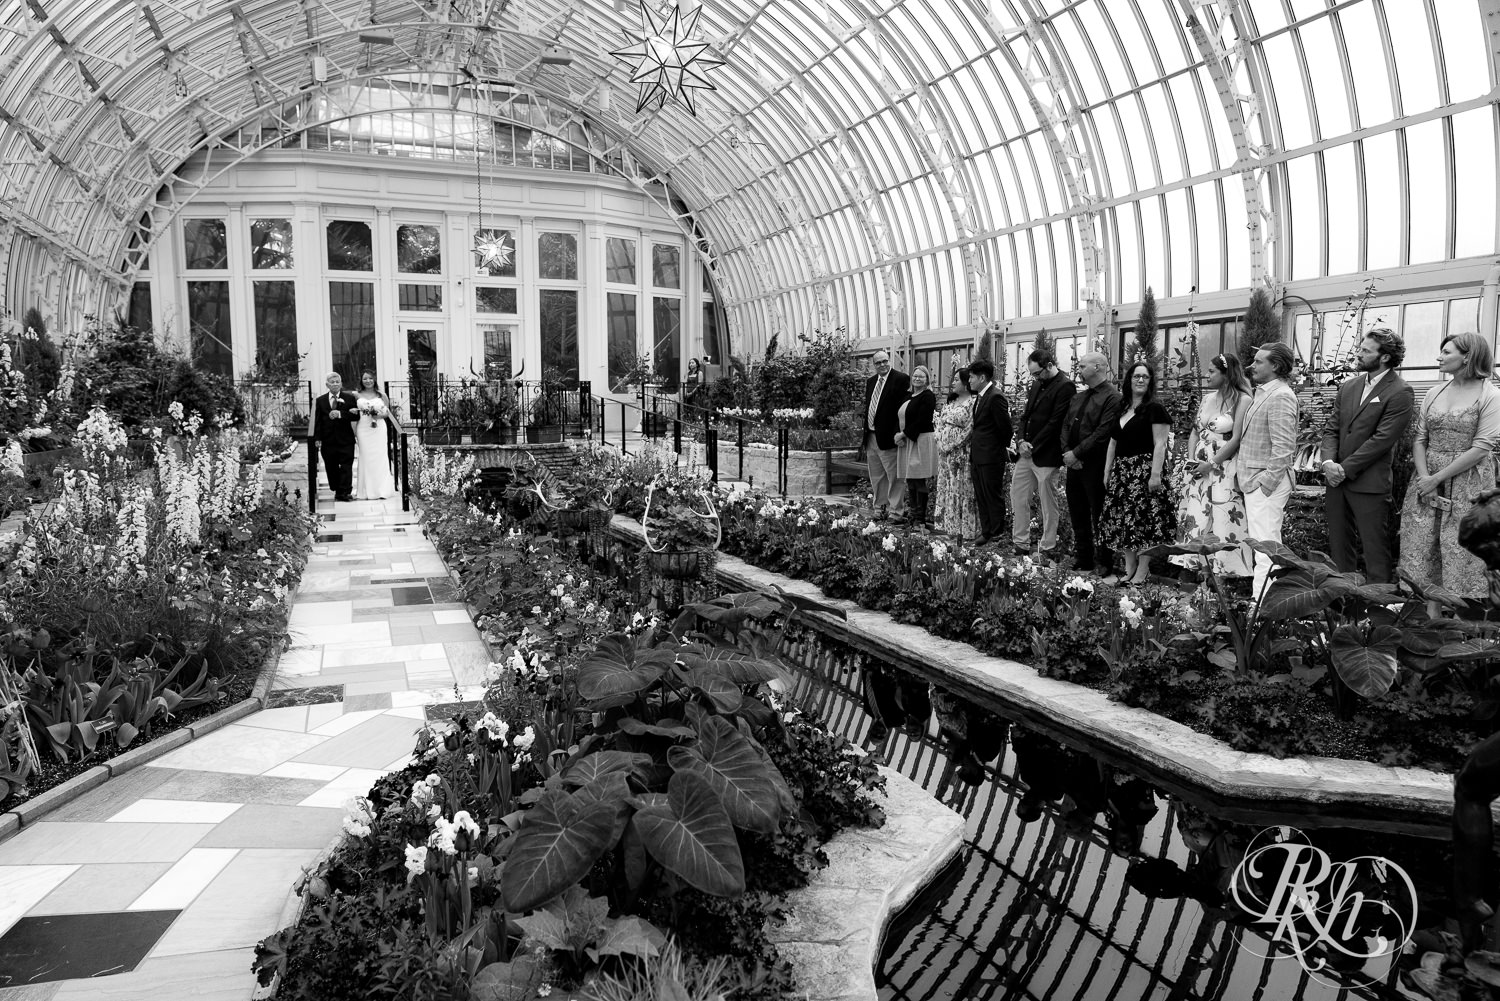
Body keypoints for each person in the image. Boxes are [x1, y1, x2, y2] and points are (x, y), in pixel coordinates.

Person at [1399, 331, 1500, 610]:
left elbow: (1482, 447)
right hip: (1426, 478)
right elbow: (1420, 438)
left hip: (1468, 481)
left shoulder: (1491, 395)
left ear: (1467, 357)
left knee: (1461, 548)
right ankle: (1431, 614)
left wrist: (1436, 478)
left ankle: (1459, 620)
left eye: (1446, 352)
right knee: (1424, 542)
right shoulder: (1435, 392)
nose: (1439, 357)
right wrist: (1424, 478)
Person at [1319, 328, 1414, 583]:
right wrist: (1328, 463)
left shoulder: (1401, 391)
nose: (1358, 354)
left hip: (1369, 483)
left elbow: (1382, 440)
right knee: (1339, 547)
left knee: (1375, 549)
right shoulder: (1349, 386)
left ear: (1385, 357)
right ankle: (1344, 598)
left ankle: (1379, 602)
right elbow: (1332, 428)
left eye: (1365, 351)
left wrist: (1344, 469)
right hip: (1335, 480)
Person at [1098, 361, 1178, 585]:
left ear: (1150, 381)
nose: (1140, 380)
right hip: (1122, 472)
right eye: (1136, 376)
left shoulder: (1155, 409)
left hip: (1144, 471)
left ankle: (1143, 570)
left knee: (1145, 521)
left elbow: (1160, 444)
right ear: (1129, 380)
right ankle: (1129, 568)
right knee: (1124, 520)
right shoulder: (1122, 408)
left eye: (1145, 376)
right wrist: (1107, 471)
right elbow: (1113, 442)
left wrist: (1155, 475)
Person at [1175, 353, 1253, 577]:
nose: (1206, 375)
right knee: (1198, 514)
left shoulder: (1243, 400)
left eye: (1211, 371)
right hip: (1198, 469)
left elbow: (1236, 438)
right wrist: (1191, 461)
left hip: (1222, 468)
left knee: (1222, 515)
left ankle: (1224, 571)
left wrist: (1211, 464)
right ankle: (1199, 569)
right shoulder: (1207, 398)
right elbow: (1195, 431)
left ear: (1226, 374)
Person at [1239, 341, 1300, 602]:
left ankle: (1263, 604)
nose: (1252, 365)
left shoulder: (1281, 396)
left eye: (1259, 361)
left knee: (1266, 546)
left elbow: (1284, 447)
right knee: (1262, 544)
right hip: (1256, 481)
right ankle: (1263, 601)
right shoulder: (1265, 392)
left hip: (1265, 483)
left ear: (1275, 366)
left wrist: (1266, 483)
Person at [1061, 352, 1123, 575]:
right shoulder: (1078, 397)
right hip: (1073, 464)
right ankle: (1083, 557)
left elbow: (1103, 432)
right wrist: (1067, 452)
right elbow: (1066, 426)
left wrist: (1077, 453)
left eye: (1082, 366)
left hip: (1095, 464)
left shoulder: (1113, 397)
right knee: (1077, 512)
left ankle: (1104, 560)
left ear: (1097, 367)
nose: (1078, 370)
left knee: (1100, 513)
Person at [1010, 349, 1076, 559]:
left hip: (1047, 454)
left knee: (1048, 502)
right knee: (1018, 495)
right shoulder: (1037, 383)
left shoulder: (1065, 386)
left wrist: (1032, 445)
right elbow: (1025, 416)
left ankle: (1048, 546)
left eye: (1038, 373)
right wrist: (1021, 441)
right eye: (1033, 375)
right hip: (1026, 452)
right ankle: (1020, 542)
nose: (1035, 378)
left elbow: (1056, 422)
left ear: (1049, 365)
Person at [967, 358, 1013, 545]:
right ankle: (986, 531)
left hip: (991, 456)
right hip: (978, 455)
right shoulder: (981, 396)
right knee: (981, 495)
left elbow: (1006, 429)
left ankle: (996, 532)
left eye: (971, 377)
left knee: (992, 495)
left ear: (982, 377)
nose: (969, 381)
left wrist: (996, 449)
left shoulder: (995, 397)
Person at [934, 368, 981, 541]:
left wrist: (951, 444)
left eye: (956, 380)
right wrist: (940, 440)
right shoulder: (951, 401)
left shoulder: (973, 402)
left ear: (966, 382)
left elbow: (970, 428)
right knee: (947, 487)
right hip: (945, 455)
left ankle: (965, 530)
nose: (953, 382)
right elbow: (940, 422)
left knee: (961, 489)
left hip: (961, 454)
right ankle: (950, 528)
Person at [863, 350, 911, 519]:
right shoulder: (871, 382)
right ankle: (880, 509)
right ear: (874, 365)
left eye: (885, 361)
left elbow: (903, 409)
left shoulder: (900, 379)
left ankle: (896, 512)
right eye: (878, 363)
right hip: (871, 436)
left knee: (894, 476)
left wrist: (899, 434)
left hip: (889, 437)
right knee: (876, 476)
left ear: (889, 360)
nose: (882, 365)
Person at [896, 366, 938, 526]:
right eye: (915, 376)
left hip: (920, 440)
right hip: (908, 440)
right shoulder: (908, 396)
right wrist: (899, 435)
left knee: (919, 479)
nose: (917, 379)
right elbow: (900, 417)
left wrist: (903, 434)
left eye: (921, 376)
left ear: (927, 380)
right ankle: (913, 515)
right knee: (910, 480)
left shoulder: (928, 396)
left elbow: (922, 419)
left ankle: (920, 519)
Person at [312, 372, 359, 502]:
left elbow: (356, 416)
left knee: (346, 466)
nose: (335, 384)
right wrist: (317, 438)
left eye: (337, 382)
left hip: (346, 439)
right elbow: (318, 421)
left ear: (341, 384)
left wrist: (340, 414)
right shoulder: (320, 400)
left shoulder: (349, 398)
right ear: (327, 385)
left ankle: (345, 492)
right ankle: (337, 489)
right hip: (328, 440)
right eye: (332, 382)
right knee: (331, 466)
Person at [354, 370, 402, 500]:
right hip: (363, 428)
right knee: (365, 457)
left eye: (370, 378)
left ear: (374, 379)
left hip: (378, 428)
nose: (368, 381)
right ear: (361, 381)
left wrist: (377, 416)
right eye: (365, 379)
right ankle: (365, 491)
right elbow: (354, 412)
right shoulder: (357, 395)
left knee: (380, 457)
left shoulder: (382, 395)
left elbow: (387, 413)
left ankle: (382, 490)